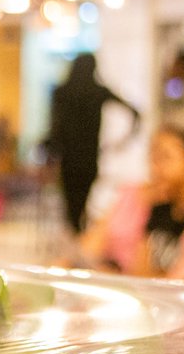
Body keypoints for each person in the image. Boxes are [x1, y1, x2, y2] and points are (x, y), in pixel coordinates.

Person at [77, 121, 184, 276]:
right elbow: (141, 272)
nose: (155, 167)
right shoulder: (160, 207)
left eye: (166, 157)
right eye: (153, 157)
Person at [46, 52, 141, 233]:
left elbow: (54, 126)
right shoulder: (98, 92)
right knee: (80, 205)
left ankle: (77, 241)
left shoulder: (62, 92)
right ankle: (78, 240)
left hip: (69, 159)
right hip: (88, 158)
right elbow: (135, 113)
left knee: (72, 207)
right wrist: (122, 141)